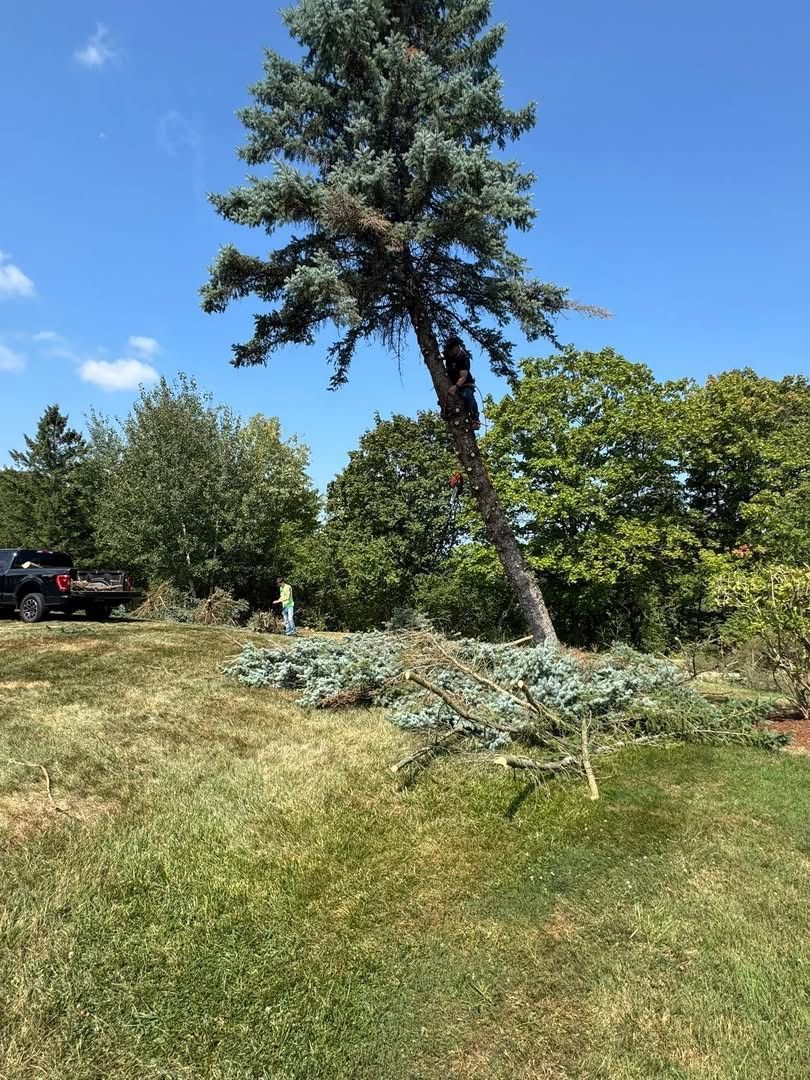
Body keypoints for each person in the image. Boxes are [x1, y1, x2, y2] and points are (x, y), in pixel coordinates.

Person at [442, 336, 480, 428]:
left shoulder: (463, 358)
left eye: (451, 349)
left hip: (465, 384)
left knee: (467, 396)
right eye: (448, 349)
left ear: (457, 347)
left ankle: (475, 419)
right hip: (452, 383)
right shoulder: (448, 354)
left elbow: (463, 376)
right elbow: (441, 355)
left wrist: (456, 386)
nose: (450, 351)